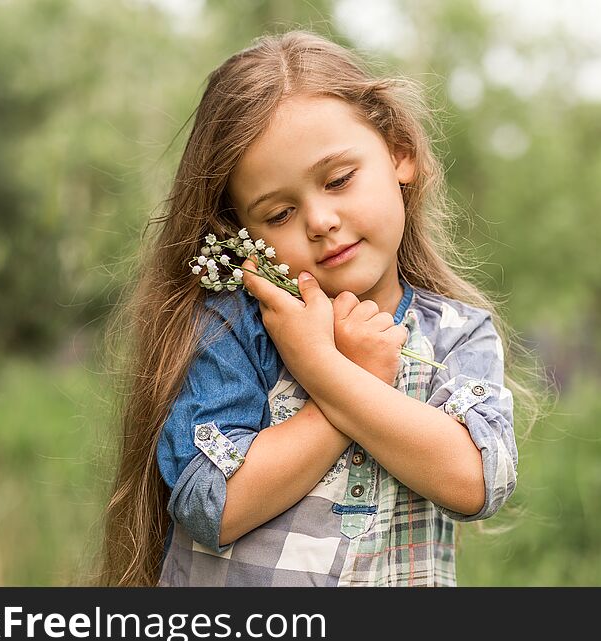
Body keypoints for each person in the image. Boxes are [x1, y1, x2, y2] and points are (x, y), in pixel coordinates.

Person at [99, 30, 526, 587]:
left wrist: (326, 369)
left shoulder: (455, 336)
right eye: (278, 215)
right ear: (240, 235)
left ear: (401, 154)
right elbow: (211, 506)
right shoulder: (238, 327)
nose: (320, 220)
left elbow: (475, 481)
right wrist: (353, 374)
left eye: (339, 180)